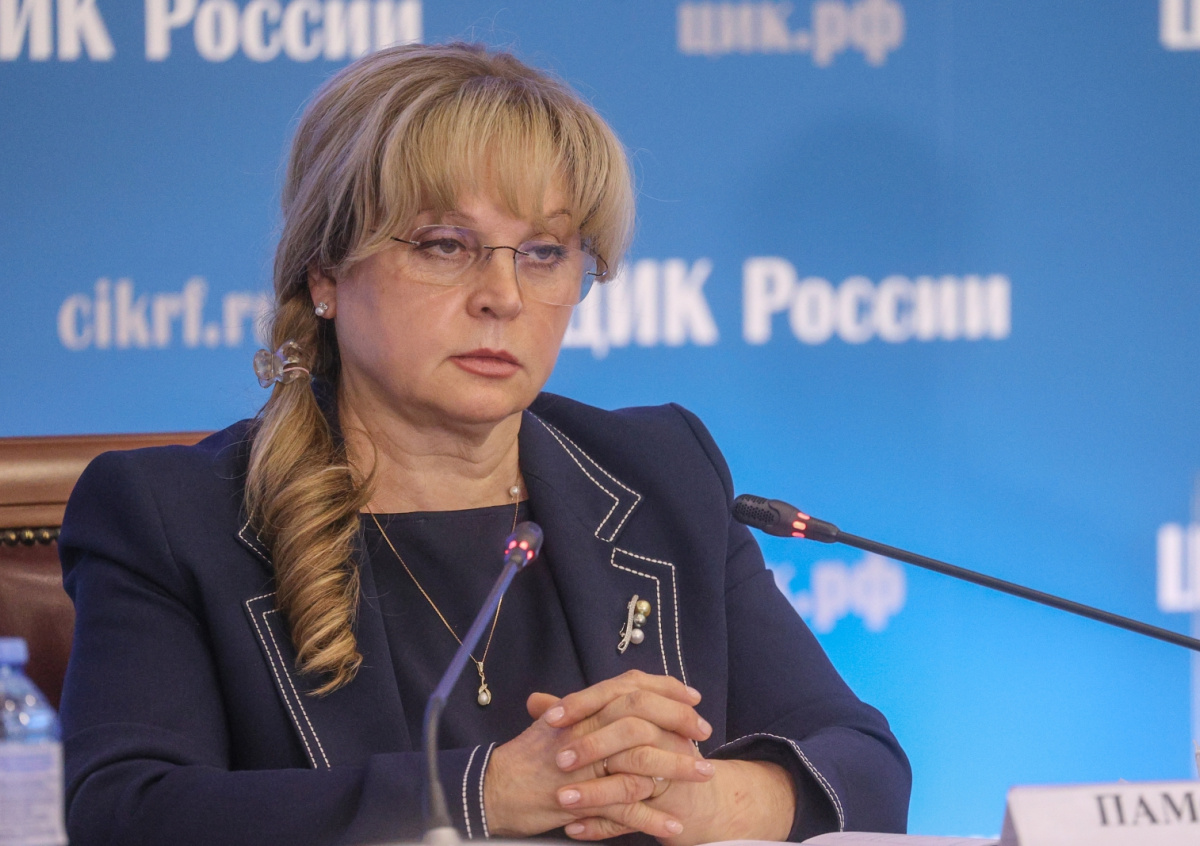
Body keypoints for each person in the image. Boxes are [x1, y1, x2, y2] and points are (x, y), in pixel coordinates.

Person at [57, 43, 910, 846]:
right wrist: (479, 792)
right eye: (445, 245)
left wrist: (703, 797)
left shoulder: (658, 474)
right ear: (325, 272)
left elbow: (864, 767)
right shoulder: (173, 517)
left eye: (544, 252)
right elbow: (127, 812)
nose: (503, 294)